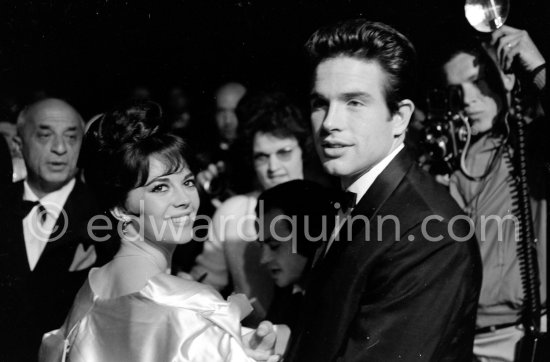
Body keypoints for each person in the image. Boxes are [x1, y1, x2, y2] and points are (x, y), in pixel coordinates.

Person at [285, 19, 483, 361]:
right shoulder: (356, 198)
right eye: (321, 103)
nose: (330, 122)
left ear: (401, 117)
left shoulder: (430, 234)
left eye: (354, 103)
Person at [39, 100, 282, 362]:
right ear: (120, 208)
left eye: (188, 182)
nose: (185, 200)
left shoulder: (89, 292)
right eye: (160, 188)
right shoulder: (191, 304)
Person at [441, 25, 547, 362]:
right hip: (465, 339)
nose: (469, 100)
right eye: (458, 91)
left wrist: (538, 68)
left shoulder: (531, 146)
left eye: (480, 82)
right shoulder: (448, 163)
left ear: (505, 80)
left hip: (528, 331)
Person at [0, 98, 106, 361]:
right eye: (45, 136)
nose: (60, 148)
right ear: (18, 144)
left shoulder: (105, 215)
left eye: (72, 138)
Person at [191, 92, 309, 326]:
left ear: (303, 151)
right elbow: (205, 288)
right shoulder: (232, 212)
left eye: (284, 153)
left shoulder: (328, 209)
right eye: (262, 157)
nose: (273, 167)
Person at [256, 179, 334, 330]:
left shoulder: (334, 303)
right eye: (261, 246)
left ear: (311, 237)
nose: (263, 259)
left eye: (274, 245)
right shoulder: (288, 296)